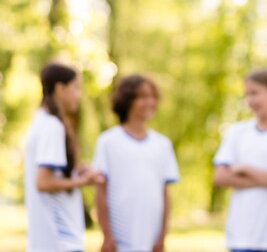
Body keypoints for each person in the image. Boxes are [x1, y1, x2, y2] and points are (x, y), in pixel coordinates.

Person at [213, 68, 267, 252]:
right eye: (247, 95)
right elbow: (220, 177)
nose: (250, 101)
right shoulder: (237, 132)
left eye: (255, 93)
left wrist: (245, 168)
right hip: (239, 236)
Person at [93, 74, 179, 252]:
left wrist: (162, 237)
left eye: (153, 97)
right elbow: (100, 191)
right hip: (120, 238)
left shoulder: (162, 144)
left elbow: (164, 194)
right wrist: (107, 236)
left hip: (151, 238)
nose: (150, 102)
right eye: (143, 96)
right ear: (127, 100)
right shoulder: (108, 141)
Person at [24, 62, 103, 252]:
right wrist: (83, 180)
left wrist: (75, 173)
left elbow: (50, 176)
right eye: (76, 88)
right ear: (60, 89)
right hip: (59, 241)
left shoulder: (40, 121)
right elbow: (43, 183)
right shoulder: (52, 126)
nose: (79, 95)